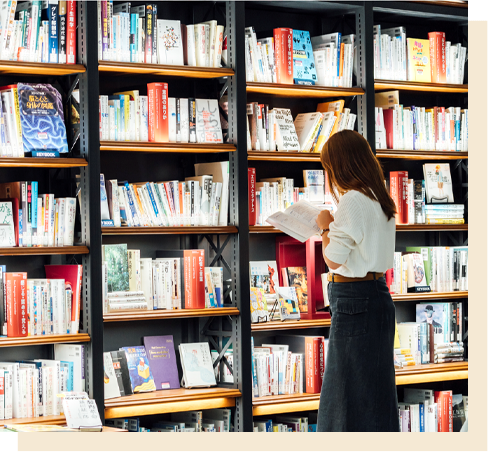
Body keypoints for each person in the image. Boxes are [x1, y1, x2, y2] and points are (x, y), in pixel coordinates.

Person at [315, 129, 400, 432]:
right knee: (375, 396)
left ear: (340, 166)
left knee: (343, 398)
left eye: (329, 168)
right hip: (378, 296)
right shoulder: (381, 197)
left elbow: (333, 258)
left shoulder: (352, 200)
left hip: (354, 301)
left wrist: (325, 226)